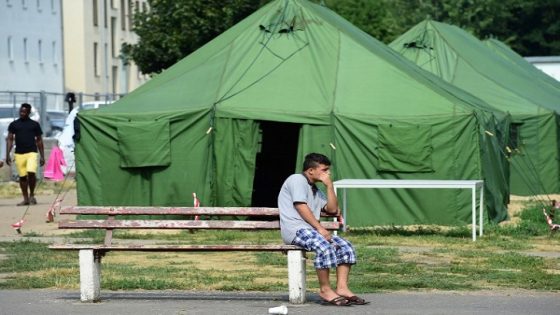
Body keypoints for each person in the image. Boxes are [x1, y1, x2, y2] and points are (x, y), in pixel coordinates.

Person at [278, 153, 367, 306]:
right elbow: (300, 206)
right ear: (311, 170)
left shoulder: (316, 190)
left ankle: (342, 288)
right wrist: (320, 228)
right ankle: (325, 289)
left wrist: (329, 185)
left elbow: (332, 209)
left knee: (346, 247)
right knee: (324, 248)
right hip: (295, 230)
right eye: (324, 170)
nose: (328, 173)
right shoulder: (296, 180)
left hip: (310, 231)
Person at [5, 103, 45, 206]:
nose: (22, 113)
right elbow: (10, 139)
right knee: (22, 177)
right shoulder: (14, 124)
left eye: (24, 112)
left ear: (28, 113)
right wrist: (7, 154)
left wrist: (42, 156)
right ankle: (25, 198)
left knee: (31, 172)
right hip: (19, 154)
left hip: (32, 152)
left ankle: (32, 195)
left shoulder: (34, 125)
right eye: (21, 111)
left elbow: (39, 140)